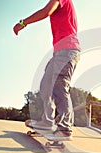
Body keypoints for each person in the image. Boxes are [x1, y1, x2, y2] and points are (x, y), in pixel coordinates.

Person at [13, 0, 80, 140]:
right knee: (46, 85)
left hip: (68, 50)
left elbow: (46, 11)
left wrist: (23, 22)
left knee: (60, 86)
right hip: (61, 52)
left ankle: (65, 128)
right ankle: (47, 123)